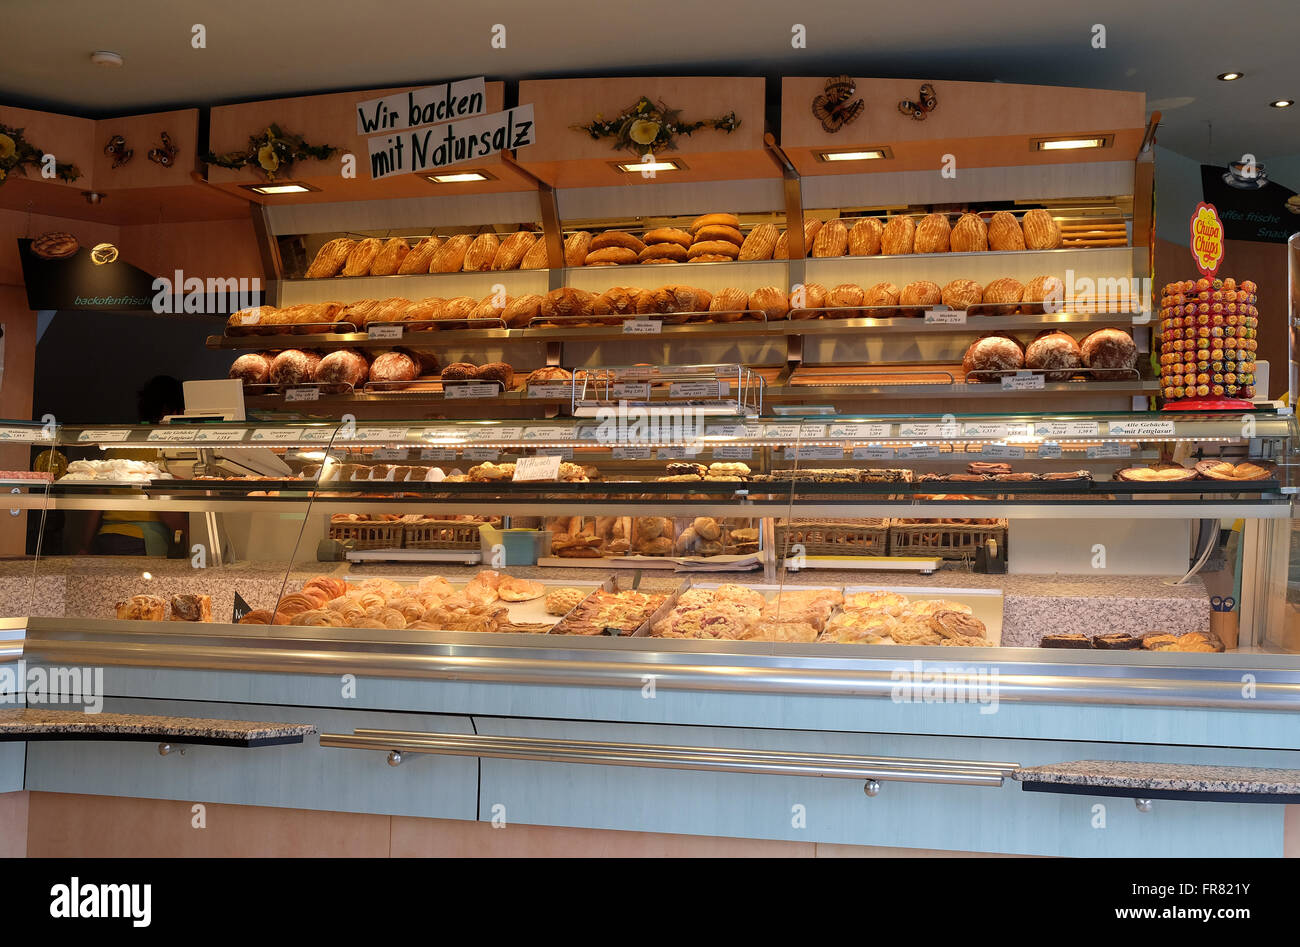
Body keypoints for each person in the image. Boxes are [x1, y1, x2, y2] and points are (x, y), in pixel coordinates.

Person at [78, 375, 188, 556]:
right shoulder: (165, 448)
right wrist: (190, 534)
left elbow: (96, 501)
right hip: (141, 540)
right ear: (173, 411)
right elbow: (163, 503)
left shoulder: (118, 446)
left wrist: (85, 544)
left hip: (107, 536)